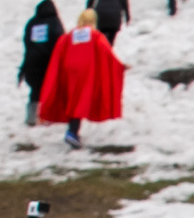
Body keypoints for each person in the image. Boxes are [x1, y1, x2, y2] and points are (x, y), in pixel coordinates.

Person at [36, 16, 126, 151]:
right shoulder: (95, 35)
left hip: (69, 70)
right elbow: (105, 50)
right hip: (86, 71)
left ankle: (73, 131)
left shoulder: (69, 35)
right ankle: (72, 132)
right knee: (80, 101)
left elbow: (59, 50)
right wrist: (119, 65)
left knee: (74, 100)